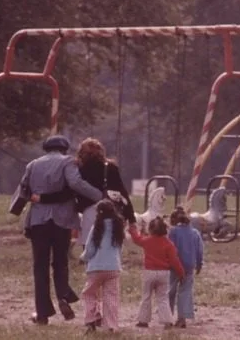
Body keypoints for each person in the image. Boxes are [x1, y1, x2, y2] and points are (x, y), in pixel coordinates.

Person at [17, 134, 103, 325]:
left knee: (40, 266)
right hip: (62, 220)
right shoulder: (68, 162)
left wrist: (41, 199)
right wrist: (98, 195)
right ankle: (63, 295)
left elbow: (24, 189)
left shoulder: (32, 164)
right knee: (60, 261)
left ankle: (42, 313)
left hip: (38, 220)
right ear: (64, 148)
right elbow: (75, 183)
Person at [75, 138, 136, 248]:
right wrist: (131, 217)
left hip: (89, 211)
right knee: (111, 245)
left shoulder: (80, 169)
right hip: (111, 210)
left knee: (90, 246)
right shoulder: (110, 167)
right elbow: (122, 192)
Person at [128, 216, 185, 329]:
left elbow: (137, 239)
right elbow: (174, 260)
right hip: (164, 273)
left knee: (146, 296)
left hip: (149, 272)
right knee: (163, 298)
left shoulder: (147, 240)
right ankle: (167, 321)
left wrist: (132, 229)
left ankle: (143, 321)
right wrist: (181, 273)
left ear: (150, 229)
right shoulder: (169, 244)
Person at [79, 199, 125, 333]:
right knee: (111, 297)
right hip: (113, 267)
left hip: (96, 268)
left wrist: (83, 258)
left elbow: (90, 248)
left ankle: (91, 319)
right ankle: (110, 326)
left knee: (89, 293)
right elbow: (119, 248)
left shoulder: (97, 227)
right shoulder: (118, 227)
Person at [167, 207, 204, 328]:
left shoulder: (173, 232)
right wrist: (199, 264)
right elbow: (199, 250)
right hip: (189, 266)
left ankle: (168, 317)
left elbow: (170, 249)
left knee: (170, 291)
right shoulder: (195, 233)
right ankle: (182, 318)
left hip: (175, 266)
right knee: (185, 291)